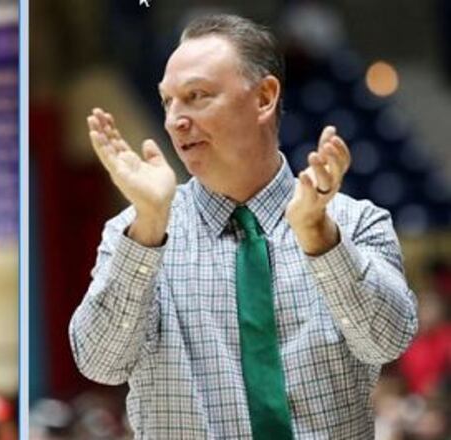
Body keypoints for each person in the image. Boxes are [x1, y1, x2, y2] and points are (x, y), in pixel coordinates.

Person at [69, 14, 418, 439]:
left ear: (265, 97)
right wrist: (148, 228)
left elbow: (388, 341)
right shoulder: (138, 233)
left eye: (196, 96)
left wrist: (319, 239)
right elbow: (100, 363)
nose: (175, 120)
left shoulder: (353, 223)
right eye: (167, 101)